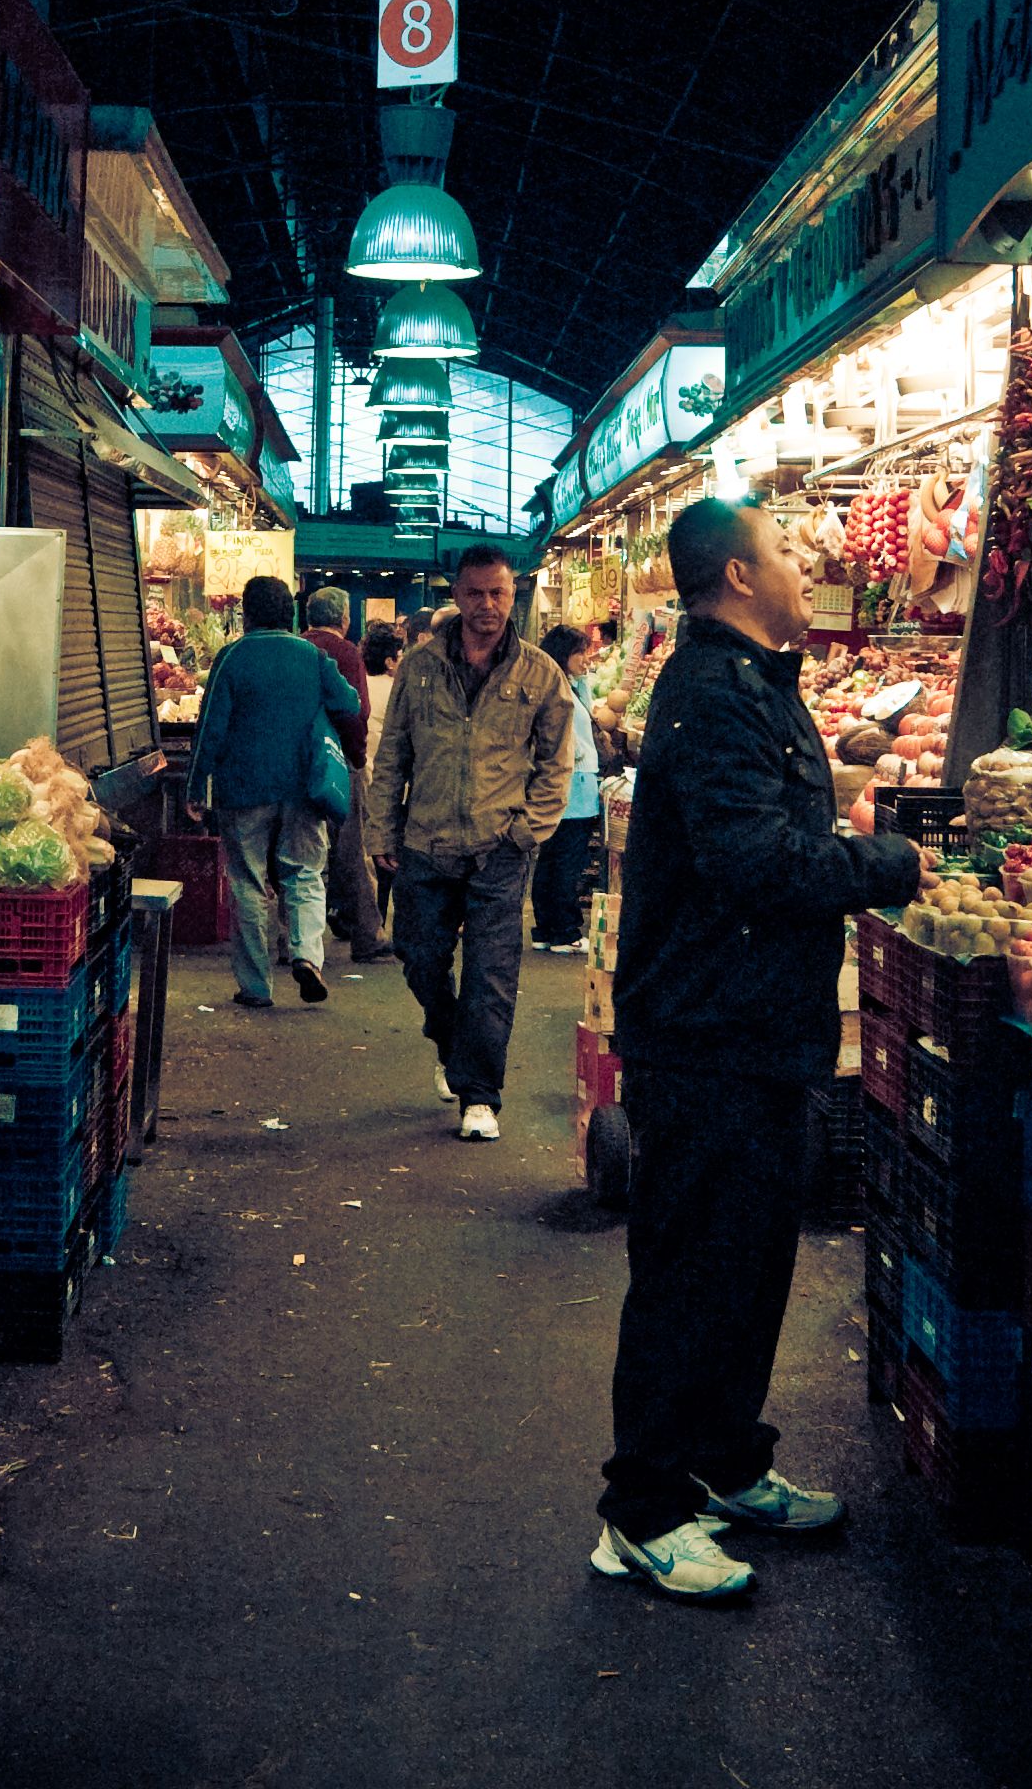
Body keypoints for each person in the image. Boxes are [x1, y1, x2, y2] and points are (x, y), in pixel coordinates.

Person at [592, 498, 926, 1603]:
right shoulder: (711, 695)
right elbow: (755, 865)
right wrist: (887, 865)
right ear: (737, 576)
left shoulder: (751, 685)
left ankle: (724, 1463)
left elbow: (774, 846)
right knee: (689, 1274)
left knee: (747, 1269)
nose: (799, 565)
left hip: (757, 1030)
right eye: (782, 551)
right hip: (704, 1037)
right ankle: (639, 1512)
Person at [363, 543, 572, 1142]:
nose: (488, 604)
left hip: (499, 847)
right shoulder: (421, 667)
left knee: (492, 974)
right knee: (419, 956)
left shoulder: (539, 673)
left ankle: (480, 1096)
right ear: (455, 595)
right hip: (425, 842)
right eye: (476, 592)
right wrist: (382, 829)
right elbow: (393, 754)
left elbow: (556, 762)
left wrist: (528, 829)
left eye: (499, 592)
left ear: (513, 595)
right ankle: (449, 1040)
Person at [187, 574, 360, 1009]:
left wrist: (196, 787)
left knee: (247, 882)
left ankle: (256, 987)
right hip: (303, 785)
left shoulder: (233, 657)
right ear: (291, 612)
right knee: (304, 872)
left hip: (243, 789)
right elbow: (350, 703)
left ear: (247, 614)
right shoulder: (312, 655)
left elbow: (210, 730)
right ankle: (306, 956)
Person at [300, 587, 385, 963]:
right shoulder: (347, 653)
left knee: (303, 855)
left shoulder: (296, 647)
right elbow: (357, 711)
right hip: (339, 764)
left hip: (299, 766)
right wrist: (357, 758)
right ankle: (368, 935)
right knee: (353, 850)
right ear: (345, 619)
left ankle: (300, 942)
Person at [530, 625, 604, 953]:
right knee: (566, 861)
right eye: (580, 653)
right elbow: (569, 740)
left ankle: (547, 928)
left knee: (552, 858)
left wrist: (583, 679)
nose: (585, 660)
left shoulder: (562, 686)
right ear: (564, 655)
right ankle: (565, 931)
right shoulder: (559, 691)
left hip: (564, 784)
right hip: (574, 783)